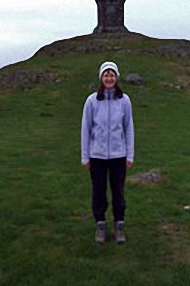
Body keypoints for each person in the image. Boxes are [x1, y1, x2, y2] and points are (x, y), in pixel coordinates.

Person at [81, 61, 134, 244]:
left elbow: (128, 129)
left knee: (118, 191)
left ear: (116, 77)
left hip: (119, 155)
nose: (109, 78)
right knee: (99, 191)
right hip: (97, 156)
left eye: (112, 75)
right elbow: (85, 130)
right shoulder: (92, 101)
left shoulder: (124, 100)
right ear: (101, 78)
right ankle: (101, 225)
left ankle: (119, 225)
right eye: (106, 75)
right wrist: (85, 156)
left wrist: (130, 154)